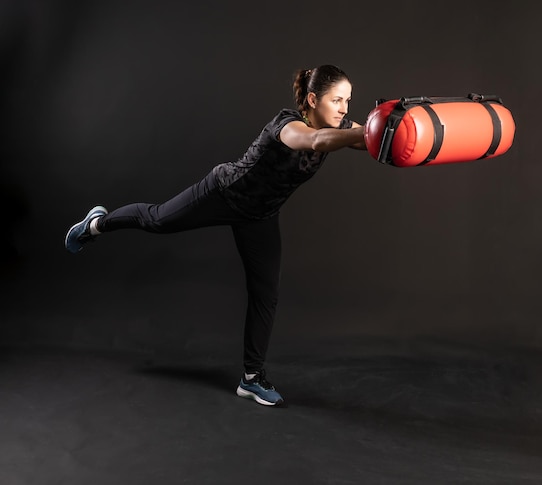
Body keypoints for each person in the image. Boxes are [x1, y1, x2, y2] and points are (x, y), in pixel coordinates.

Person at [64, 64, 367, 406]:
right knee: (158, 220)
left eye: (348, 101)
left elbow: (365, 139)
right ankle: (96, 224)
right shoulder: (289, 126)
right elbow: (317, 141)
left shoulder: (337, 125)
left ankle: (251, 379)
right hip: (223, 193)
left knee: (266, 293)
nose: (344, 109)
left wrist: (391, 127)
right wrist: (366, 133)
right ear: (313, 99)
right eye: (337, 100)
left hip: (260, 214)